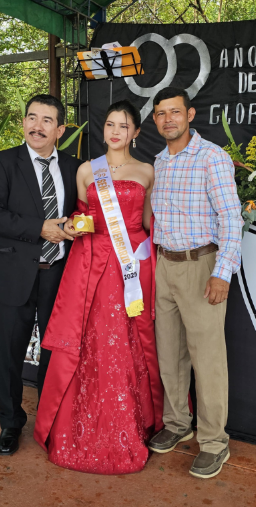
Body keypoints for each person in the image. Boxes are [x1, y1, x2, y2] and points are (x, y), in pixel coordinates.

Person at [34, 100, 164, 474]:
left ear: (136, 133)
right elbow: (81, 216)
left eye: (123, 126)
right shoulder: (88, 170)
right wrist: (75, 225)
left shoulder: (147, 171)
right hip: (91, 263)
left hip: (130, 267)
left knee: (128, 340)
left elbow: (145, 221)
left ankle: (132, 425)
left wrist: (140, 258)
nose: (115, 131)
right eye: (109, 124)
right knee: (89, 339)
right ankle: (78, 426)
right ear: (102, 129)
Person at [0, 94, 81, 457]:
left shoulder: (74, 167)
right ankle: (10, 423)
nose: (37, 126)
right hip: (13, 273)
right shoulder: (1, 163)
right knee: (9, 355)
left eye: (47, 120)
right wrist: (40, 229)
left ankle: (50, 421)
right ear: (23, 123)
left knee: (54, 353)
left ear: (60, 129)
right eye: (31, 118)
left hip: (60, 276)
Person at [147, 87, 243, 480]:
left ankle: (214, 442)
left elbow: (232, 218)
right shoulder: (159, 161)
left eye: (174, 112)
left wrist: (223, 271)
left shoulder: (212, 157)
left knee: (207, 359)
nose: (167, 119)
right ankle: (176, 423)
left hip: (201, 265)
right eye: (159, 114)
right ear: (154, 120)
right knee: (169, 353)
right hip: (164, 266)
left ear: (190, 115)